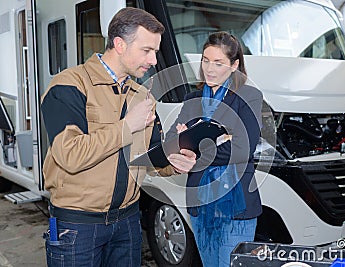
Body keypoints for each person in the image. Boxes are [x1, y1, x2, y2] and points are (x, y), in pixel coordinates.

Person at [40, 7, 196, 267]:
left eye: (155, 52)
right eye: (147, 50)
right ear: (120, 44)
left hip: (127, 224)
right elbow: (70, 155)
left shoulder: (143, 95)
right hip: (78, 226)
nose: (154, 61)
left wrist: (174, 159)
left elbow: (148, 157)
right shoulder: (68, 85)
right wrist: (127, 126)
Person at [168, 31, 263, 266]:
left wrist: (196, 153)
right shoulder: (193, 98)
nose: (209, 69)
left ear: (234, 65)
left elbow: (243, 148)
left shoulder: (248, 96)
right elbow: (172, 139)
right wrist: (215, 141)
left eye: (218, 63)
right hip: (200, 205)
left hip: (236, 206)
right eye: (205, 60)